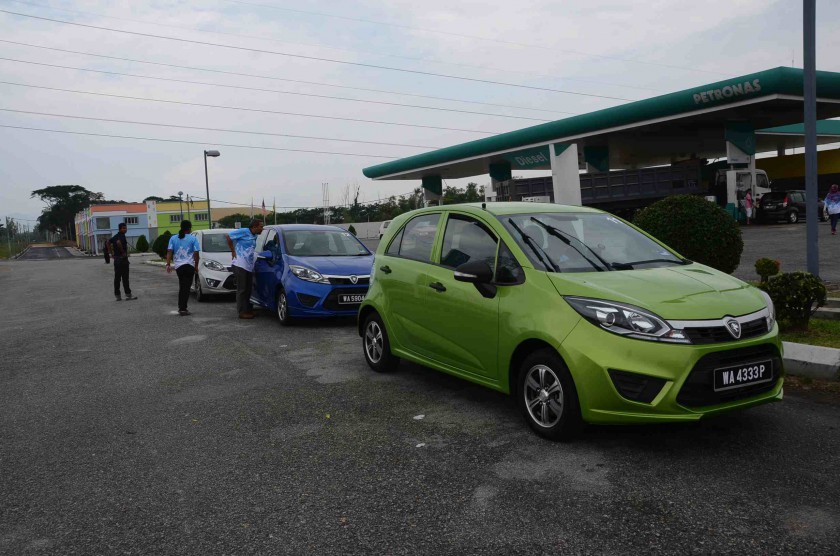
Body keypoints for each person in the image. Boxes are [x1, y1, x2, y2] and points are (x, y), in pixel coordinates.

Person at [226, 220, 264, 319]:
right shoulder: (244, 231)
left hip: (248, 266)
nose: (262, 229)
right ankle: (242, 312)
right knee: (242, 289)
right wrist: (233, 250)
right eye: (261, 226)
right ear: (254, 227)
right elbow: (228, 236)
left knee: (248, 289)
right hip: (240, 264)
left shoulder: (255, 235)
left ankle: (248, 310)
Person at [166, 220, 200, 316]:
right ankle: (183, 308)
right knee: (186, 288)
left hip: (179, 267)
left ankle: (181, 307)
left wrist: (168, 264)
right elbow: (196, 253)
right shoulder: (193, 238)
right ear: (189, 228)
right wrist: (196, 266)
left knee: (182, 286)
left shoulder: (173, 238)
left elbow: (169, 251)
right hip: (189, 266)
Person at [110, 223, 137, 301]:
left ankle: (117, 295)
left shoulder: (115, 236)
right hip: (122, 260)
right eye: (123, 228)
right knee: (125, 278)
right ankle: (128, 295)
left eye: (125, 228)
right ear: (120, 229)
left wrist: (111, 253)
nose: (125, 229)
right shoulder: (121, 236)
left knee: (117, 278)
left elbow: (108, 242)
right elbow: (118, 243)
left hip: (117, 260)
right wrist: (123, 252)